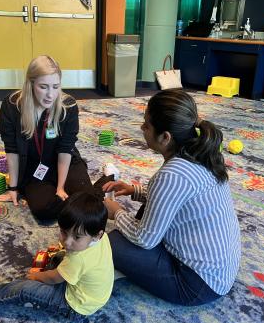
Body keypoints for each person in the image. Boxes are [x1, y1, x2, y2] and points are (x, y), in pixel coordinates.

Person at [102, 90, 241, 306]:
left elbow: (144, 239)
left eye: (147, 125)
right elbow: (177, 198)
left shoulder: (172, 174)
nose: (141, 128)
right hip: (218, 272)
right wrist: (134, 190)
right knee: (142, 215)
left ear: (165, 137)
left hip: (197, 285)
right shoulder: (200, 153)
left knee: (110, 244)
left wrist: (116, 212)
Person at [0, 192, 114, 319]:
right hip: (93, 296)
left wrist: (36, 277)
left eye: (76, 237)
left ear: (96, 235)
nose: (67, 242)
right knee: (58, 257)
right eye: (64, 232)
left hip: (76, 307)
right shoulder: (101, 236)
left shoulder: (80, 258)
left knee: (24, 289)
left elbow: (53, 279)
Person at [0, 55, 95, 222]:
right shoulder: (12, 106)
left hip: (64, 161)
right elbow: (12, 149)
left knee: (89, 198)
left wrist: (61, 188)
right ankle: (79, 203)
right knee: (44, 211)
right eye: (43, 87)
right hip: (33, 166)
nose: (51, 95)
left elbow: (65, 149)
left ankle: (89, 194)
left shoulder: (68, 106)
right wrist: (13, 187)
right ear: (31, 84)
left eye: (55, 86)